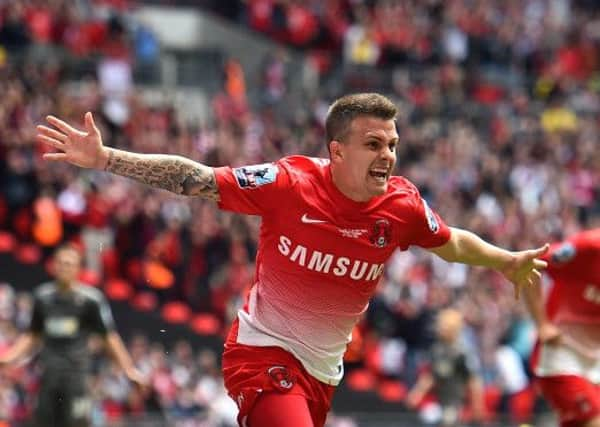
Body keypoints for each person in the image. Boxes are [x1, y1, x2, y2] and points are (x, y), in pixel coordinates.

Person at [35, 93, 548, 427]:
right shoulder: (290, 183)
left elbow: (451, 240)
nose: (388, 155)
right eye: (373, 144)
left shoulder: (402, 205)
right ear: (337, 150)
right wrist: (106, 159)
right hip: (262, 352)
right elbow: (197, 178)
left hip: (323, 374)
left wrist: (505, 260)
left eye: (392, 144)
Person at [0, 244, 145, 427]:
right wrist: (8, 358)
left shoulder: (91, 300)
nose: (64, 267)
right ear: (53, 266)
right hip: (48, 376)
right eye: (60, 263)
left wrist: (129, 369)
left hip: (76, 378)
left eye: (69, 264)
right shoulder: (42, 297)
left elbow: (109, 337)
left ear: (78, 269)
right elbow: (32, 335)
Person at [524, 228, 600, 427]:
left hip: (595, 361)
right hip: (561, 356)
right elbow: (531, 263)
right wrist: (542, 324)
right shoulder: (588, 247)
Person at [406, 308, 485, 426]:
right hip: (439, 402)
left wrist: (478, 406)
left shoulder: (462, 352)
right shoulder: (437, 349)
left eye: (444, 326)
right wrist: (417, 393)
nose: (440, 328)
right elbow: (431, 375)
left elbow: (474, 381)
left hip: (456, 403)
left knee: (448, 420)